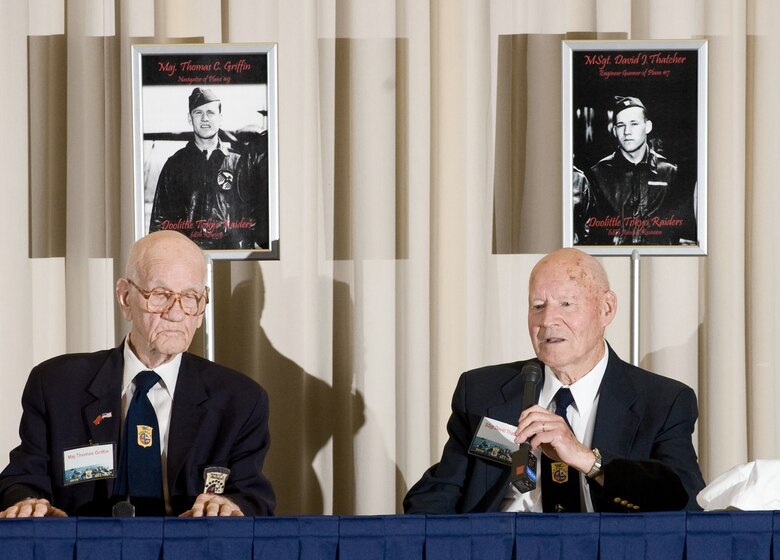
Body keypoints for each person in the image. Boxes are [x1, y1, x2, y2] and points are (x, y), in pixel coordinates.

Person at [403, 248, 705, 514]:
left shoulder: (663, 401)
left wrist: (587, 460)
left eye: (566, 304)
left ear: (606, 309)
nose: (547, 321)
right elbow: (439, 493)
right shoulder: (483, 392)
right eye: (537, 306)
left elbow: (685, 500)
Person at [0, 231, 275, 518]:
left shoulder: (240, 400)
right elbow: (22, 477)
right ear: (125, 297)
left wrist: (232, 506)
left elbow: (252, 496)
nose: (176, 313)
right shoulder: (56, 385)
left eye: (190, 297)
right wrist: (28, 502)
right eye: (160, 295)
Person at [149, 87, 269, 250]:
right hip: (188, 256)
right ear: (190, 119)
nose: (205, 118)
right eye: (198, 113)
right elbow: (159, 222)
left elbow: (257, 216)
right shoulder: (174, 165)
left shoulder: (239, 164)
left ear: (220, 118)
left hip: (232, 256)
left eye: (211, 113)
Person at [577, 96, 696, 245]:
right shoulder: (597, 174)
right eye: (621, 125)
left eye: (634, 124)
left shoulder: (670, 173)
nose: (627, 131)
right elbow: (587, 233)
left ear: (648, 127)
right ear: (614, 131)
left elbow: (682, 229)